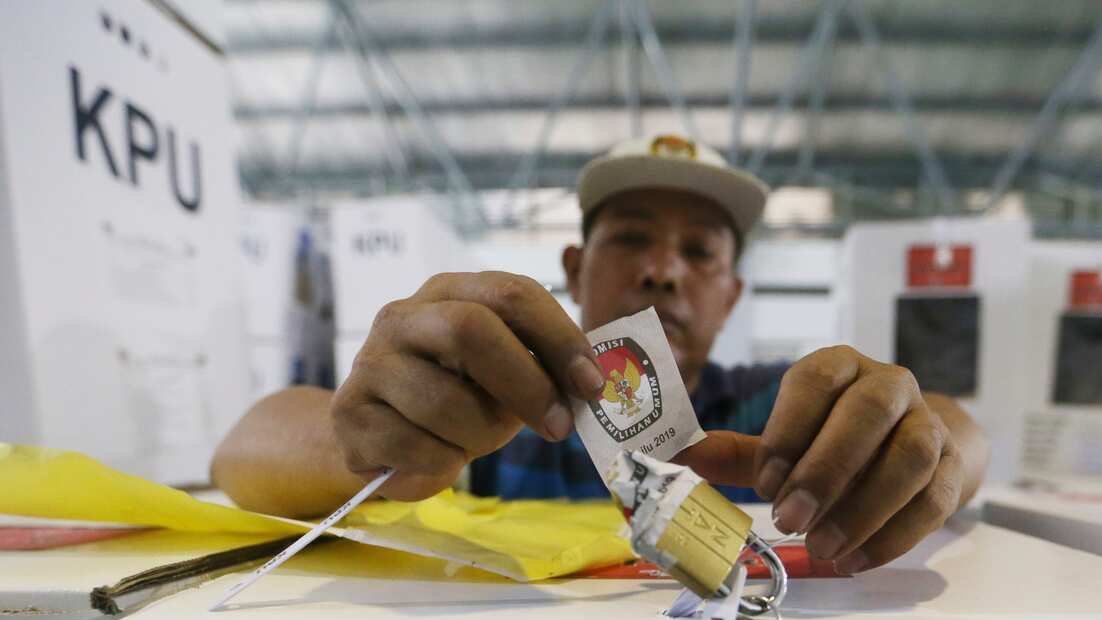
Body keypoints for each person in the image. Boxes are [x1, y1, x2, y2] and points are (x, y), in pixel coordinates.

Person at [213, 134, 989, 575]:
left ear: (732, 295)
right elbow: (243, 449)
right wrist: (370, 436)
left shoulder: (770, 410)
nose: (661, 269)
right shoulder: (493, 402)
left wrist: (918, 439)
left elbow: (960, 429)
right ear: (576, 269)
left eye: (699, 251)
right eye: (631, 237)